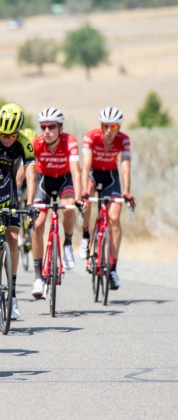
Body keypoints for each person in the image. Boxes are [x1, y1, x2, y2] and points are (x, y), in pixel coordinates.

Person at [0, 103, 36, 319]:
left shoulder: (24, 143)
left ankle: (12, 295)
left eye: (11, 135)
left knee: (13, 239)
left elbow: (31, 174)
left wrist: (30, 203)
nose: (6, 139)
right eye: (3, 134)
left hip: (9, 191)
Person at [30, 108, 83, 298]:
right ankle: (38, 276)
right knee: (37, 224)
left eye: (51, 126)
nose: (46, 130)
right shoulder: (36, 143)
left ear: (60, 127)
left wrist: (79, 198)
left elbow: (76, 171)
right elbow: (27, 170)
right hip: (44, 181)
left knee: (68, 208)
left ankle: (67, 243)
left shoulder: (70, 141)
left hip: (65, 180)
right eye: (43, 126)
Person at [80, 107, 133, 290]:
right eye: (105, 126)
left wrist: (126, 192)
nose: (109, 131)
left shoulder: (123, 140)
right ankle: (86, 235)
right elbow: (85, 165)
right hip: (93, 174)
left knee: (114, 219)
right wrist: (84, 192)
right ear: (100, 126)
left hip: (111, 177)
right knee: (86, 202)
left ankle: (112, 269)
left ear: (119, 127)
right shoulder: (91, 136)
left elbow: (125, 167)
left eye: (114, 126)